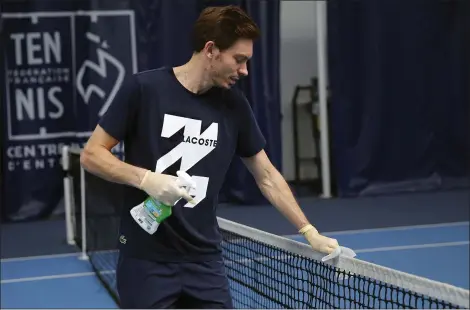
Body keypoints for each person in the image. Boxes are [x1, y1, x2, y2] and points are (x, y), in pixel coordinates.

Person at [80, 5, 339, 309]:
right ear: (211, 50)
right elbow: (91, 155)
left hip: (205, 262)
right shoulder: (143, 90)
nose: (244, 71)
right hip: (145, 261)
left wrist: (309, 232)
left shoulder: (235, 106)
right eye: (239, 60)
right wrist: (146, 179)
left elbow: (266, 175)